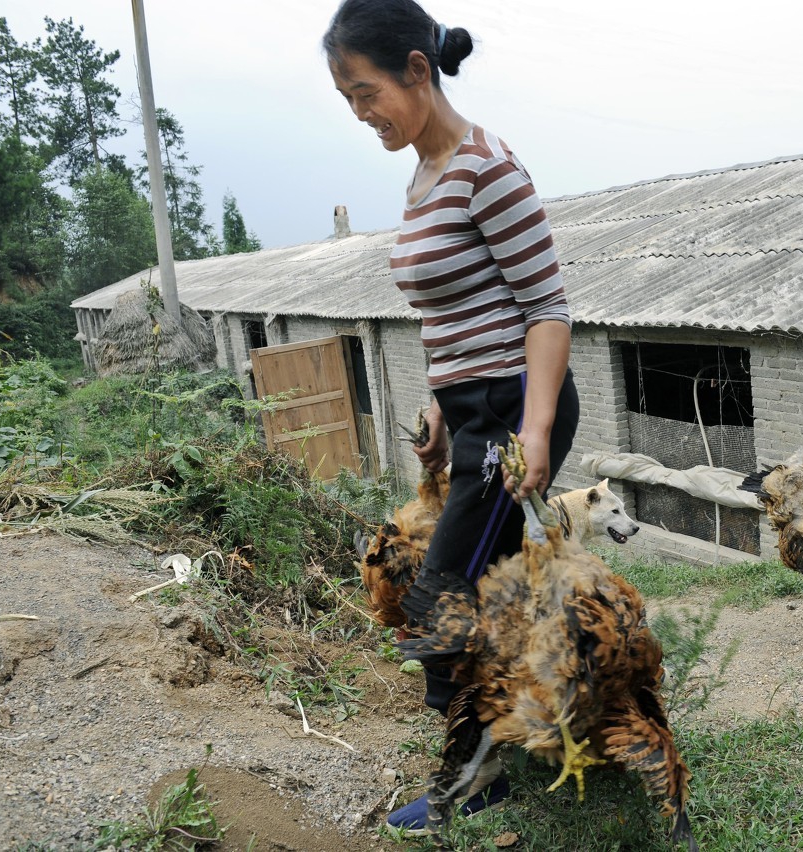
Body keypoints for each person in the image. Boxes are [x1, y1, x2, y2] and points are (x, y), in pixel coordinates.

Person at [324, 0, 580, 831]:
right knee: (484, 592)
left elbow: (546, 309)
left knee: (441, 592)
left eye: (367, 93)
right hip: (473, 412)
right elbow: (451, 313)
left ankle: (477, 779)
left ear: (417, 71)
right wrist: (440, 403)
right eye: (348, 102)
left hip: (515, 409)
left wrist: (533, 432)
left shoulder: (487, 168)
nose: (363, 115)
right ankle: (532, 730)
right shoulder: (424, 177)